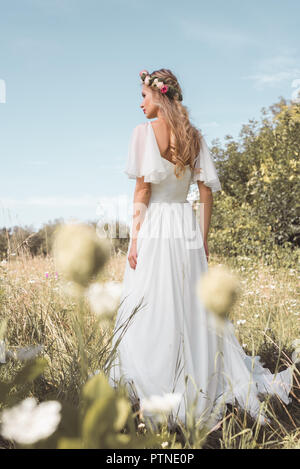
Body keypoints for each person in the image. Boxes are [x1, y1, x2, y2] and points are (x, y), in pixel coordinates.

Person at [108, 68, 294, 432]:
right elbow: (205, 192)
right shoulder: (194, 136)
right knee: (193, 304)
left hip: (158, 225)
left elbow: (143, 192)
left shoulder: (144, 133)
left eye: (143, 96)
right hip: (186, 227)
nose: (140, 102)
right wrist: (203, 238)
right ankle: (197, 372)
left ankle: (155, 378)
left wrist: (134, 239)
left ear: (158, 96)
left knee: (150, 300)